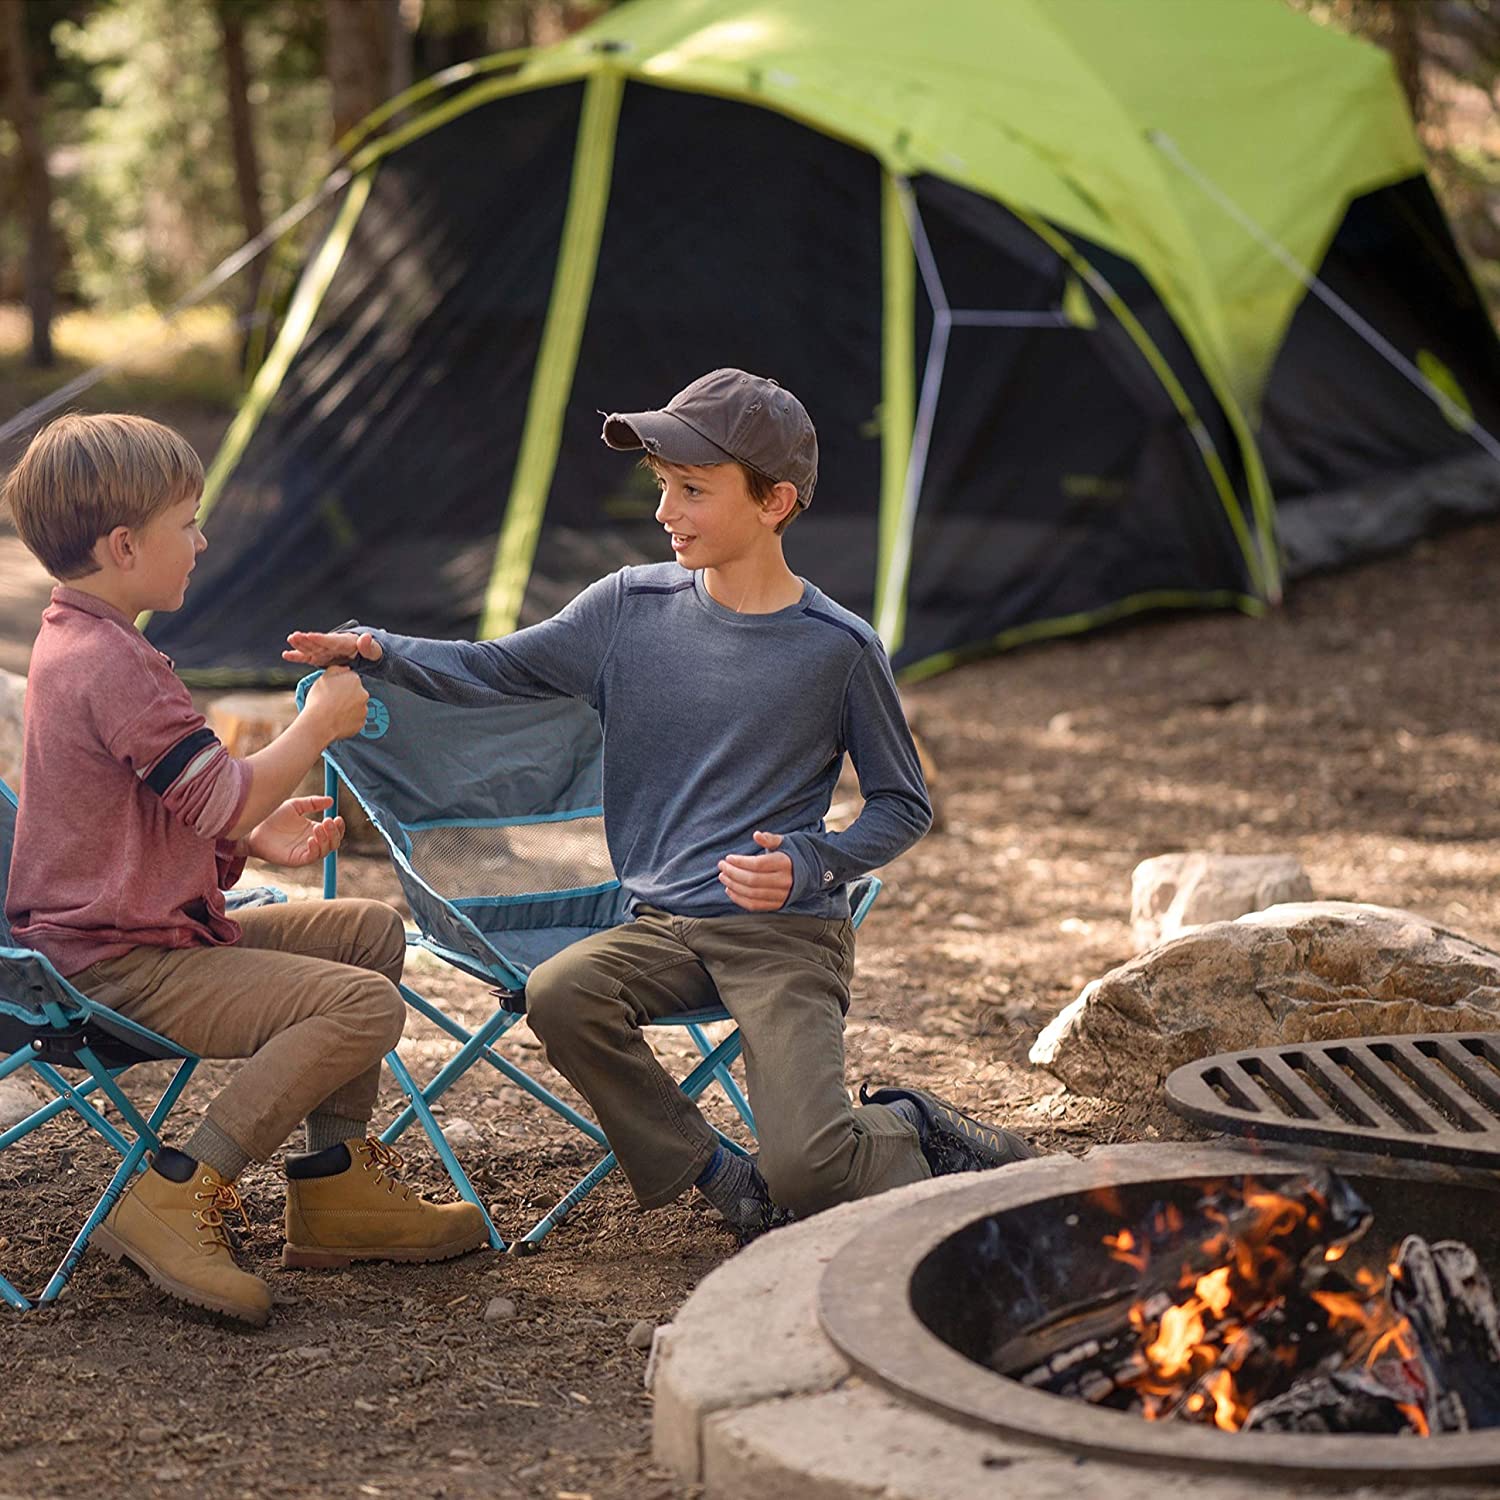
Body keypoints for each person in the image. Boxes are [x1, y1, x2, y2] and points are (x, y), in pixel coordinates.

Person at [285, 368, 1035, 1242]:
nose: (664, 512)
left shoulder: (838, 648)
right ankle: (721, 1177)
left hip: (785, 936)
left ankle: (907, 1123)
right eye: (663, 488)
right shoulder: (626, 608)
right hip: (661, 925)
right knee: (560, 993)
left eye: (692, 491)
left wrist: (811, 861)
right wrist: (382, 650)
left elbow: (903, 806)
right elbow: (496, 667)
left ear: (775, 501)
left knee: (813, 1169)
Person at [3, 413, 488, 1328]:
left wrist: (247, 843)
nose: (203, 540)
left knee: (368, 931)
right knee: (363, 1004)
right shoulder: (113, 663)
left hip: (131, 932)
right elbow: (220, 794)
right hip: (119, 963)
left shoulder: (83, 640)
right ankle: (175, 1195)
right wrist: (314, 730)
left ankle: (334, 1187)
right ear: (124, 544)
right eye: (187, 522)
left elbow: (162, 808)